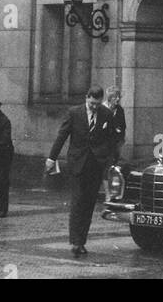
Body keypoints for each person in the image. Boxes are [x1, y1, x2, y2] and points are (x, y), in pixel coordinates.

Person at [46, 85, 115, 257]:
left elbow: (111, 140)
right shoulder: (74, 113)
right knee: (78, 202)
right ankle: (75, 241)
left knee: (89, 204)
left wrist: (109, 161)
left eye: (97, 104)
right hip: (78, 164)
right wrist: (51, 158)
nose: (94, 107)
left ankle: (82, 241)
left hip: (96, 165)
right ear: (86, 98)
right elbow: (62, 135)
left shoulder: (106, 114)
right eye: (91, 103)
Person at [104, 89, 127, 165]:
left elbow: (123, 126)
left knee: (114, 161)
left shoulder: (120, 109)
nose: (118, 99)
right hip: (104, 142)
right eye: (115, 97)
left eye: (119, 97)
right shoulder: (102, 109)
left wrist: (121, 139)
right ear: (109, 98)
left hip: (116, 142)